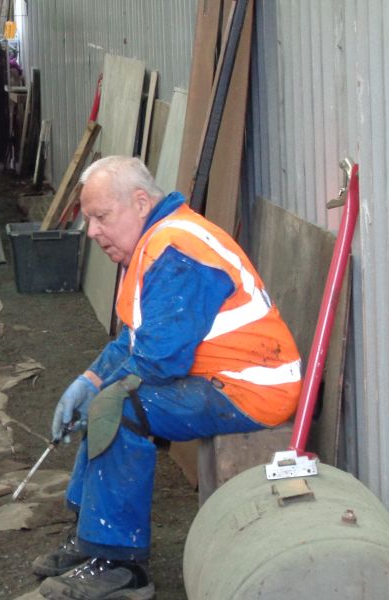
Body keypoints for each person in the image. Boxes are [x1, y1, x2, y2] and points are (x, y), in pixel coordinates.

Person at [33, 156, 302, 600]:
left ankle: (119, 565)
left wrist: (102, 393)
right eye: (90, 220)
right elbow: (134, 341)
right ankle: (89, 538)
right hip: (224, 377)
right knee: (107, 398)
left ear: (140, 202)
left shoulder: (176, 250)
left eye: (102, 217)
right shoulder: (158, 241)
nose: (93, 232)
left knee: (119, 408)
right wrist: (88, 380)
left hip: (251, 388)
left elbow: (159, 361)